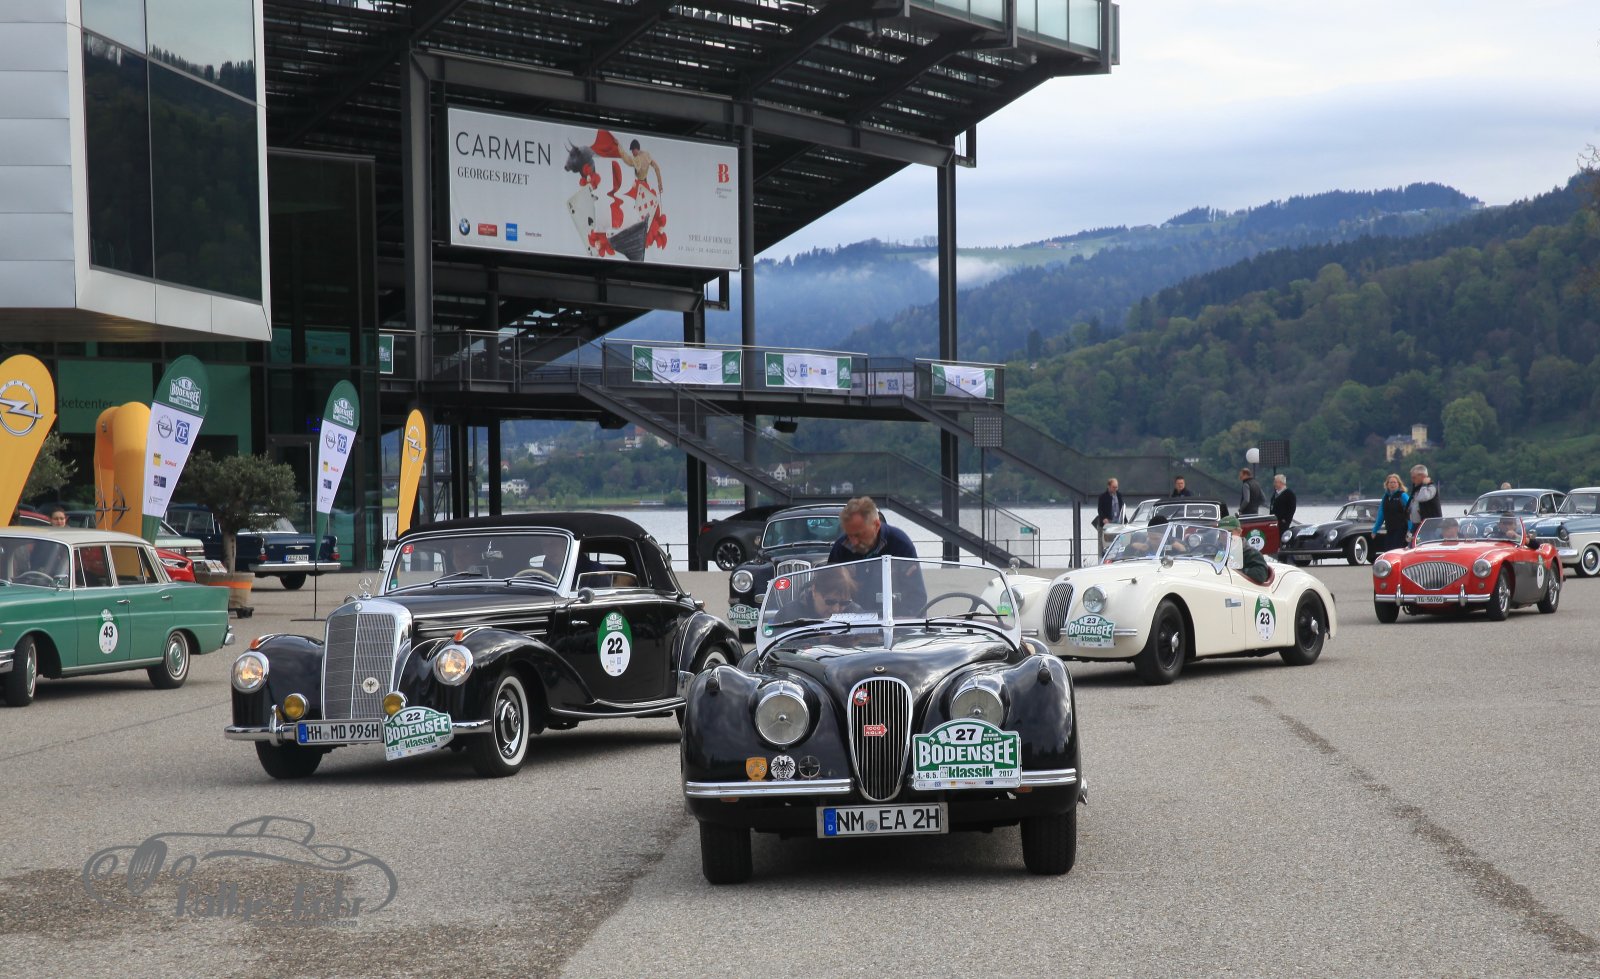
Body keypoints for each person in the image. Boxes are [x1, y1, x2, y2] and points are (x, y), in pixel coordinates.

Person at [826, 497, 923, 608]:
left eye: (859, 535)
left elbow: (917, 596)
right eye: (849, 535)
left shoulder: (900, 544)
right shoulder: (841, 546)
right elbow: (828, 590)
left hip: (893, 614)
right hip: (853, 615)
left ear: (876, 525)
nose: (853, 542)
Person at [778, 565, 861, 623]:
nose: (836, 609)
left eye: (844, 603)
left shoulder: (857, 615)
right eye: (830, 602)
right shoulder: (788, 616)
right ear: (814, 591)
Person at [1221, 516, 1270, 584]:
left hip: (1240, 586)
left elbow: (1260, 574)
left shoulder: (1251, 553)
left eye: (1229, 532)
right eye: (1222, 532)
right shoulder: (1217, 551)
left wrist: (1238, 572)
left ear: (1239, 532)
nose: (1225, 535)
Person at [1371, 473, 1410, 553]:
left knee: (1398, 551)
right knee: (1388, 551)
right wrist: (1375, 530)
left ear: (1398, 484)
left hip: (1401, 530)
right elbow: (1381, 515)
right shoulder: (1385, 497)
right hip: (1390, 529)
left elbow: (1411, 513)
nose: (1392, 484)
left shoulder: (1402, 496)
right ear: (1387, 484)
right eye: (1390, 482)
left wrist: (1410, 530)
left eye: (1394, 482)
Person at [1408, 464, 1441, 538]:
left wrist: (1424, 485)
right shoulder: (1417, 489)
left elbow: (1423, 497)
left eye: (1414, 477)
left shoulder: (1431, 487)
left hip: (1430, 526)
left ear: (1422, 476)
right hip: (1417, 525)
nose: (1412, 480)